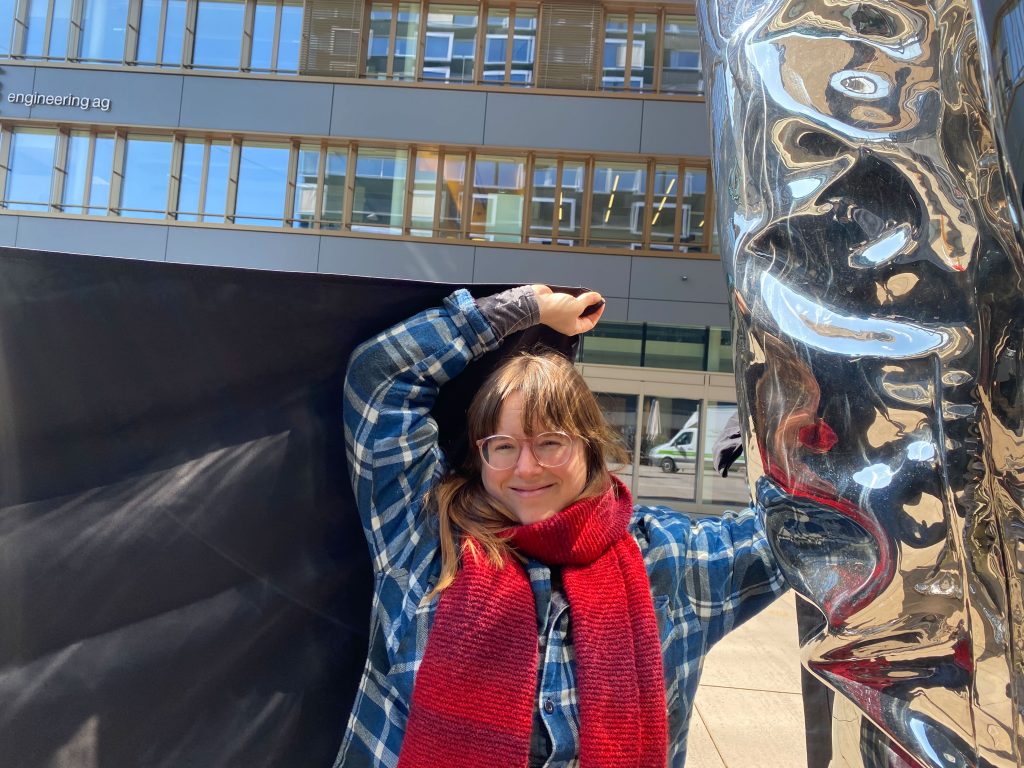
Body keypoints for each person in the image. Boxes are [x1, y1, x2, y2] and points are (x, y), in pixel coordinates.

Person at [335, 285, 786, 768]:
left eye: (550, 442)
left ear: (589, 449)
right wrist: (526, 308)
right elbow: (379, 377)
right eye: (503, 446)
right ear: (481, 458)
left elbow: (802, 531)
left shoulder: (671, 557)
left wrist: (778, 415)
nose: (526, 468)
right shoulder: (424, 535)